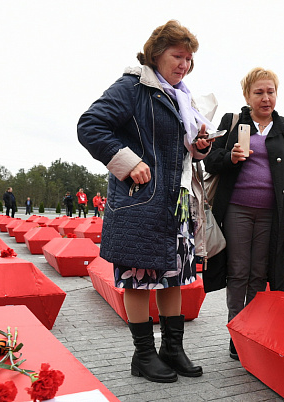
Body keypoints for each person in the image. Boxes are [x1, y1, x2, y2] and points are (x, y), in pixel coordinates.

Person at [78, 20, 213, 382]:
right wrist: (127, 162)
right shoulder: (133, 87)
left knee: (173, 277)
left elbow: (174, 150)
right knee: (138, 278)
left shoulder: (179, 96)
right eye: (177, 55)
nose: (184, 64)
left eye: (188, 58)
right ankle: (143, 355)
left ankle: (173, 348)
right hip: (141, 201)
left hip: (175, 203)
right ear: (156, 54)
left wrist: (197, 148)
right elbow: (90, 125)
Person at [203, 67, 284, 360]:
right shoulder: (232, 122)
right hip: (237, 210)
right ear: (247, 96)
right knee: (238, 272)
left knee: (260, 274)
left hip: (271, 214)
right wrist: (230, 157)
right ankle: (237, 333)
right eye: (258, 92)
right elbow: (210, 160)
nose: (265, 98)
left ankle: (255, 330)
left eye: (270, 92)